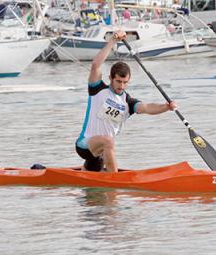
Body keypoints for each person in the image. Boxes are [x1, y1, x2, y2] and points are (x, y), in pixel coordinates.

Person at [75, 30, 177, 173]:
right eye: (118, 81)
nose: (121, 86)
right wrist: (113, 41)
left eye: (125, 82)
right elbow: (95, 66)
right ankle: (115, 182)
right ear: (110, 78)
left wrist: (166, 107)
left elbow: (147, 108)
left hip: (99, 154)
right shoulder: (97, 89)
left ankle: (85, 174)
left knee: (97, 164)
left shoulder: (127, 102)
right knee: (108, 141)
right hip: (84, 145)